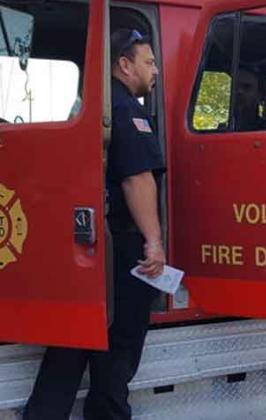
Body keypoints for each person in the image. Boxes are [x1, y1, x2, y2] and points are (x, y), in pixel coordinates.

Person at [23, 28, 165, 420]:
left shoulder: (90, 108)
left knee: (72, 340)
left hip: (90, 244)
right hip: (121, 250)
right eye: (149, 62)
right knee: (119, 347)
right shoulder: (125, 110)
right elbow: (137, 178)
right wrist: (153, 241)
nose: (155, 70)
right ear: (124, 64)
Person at [233, 67, 266, 132]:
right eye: (235, 87)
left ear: (259, 95)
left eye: (246, 87)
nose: (239, 91)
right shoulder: (224, 130)